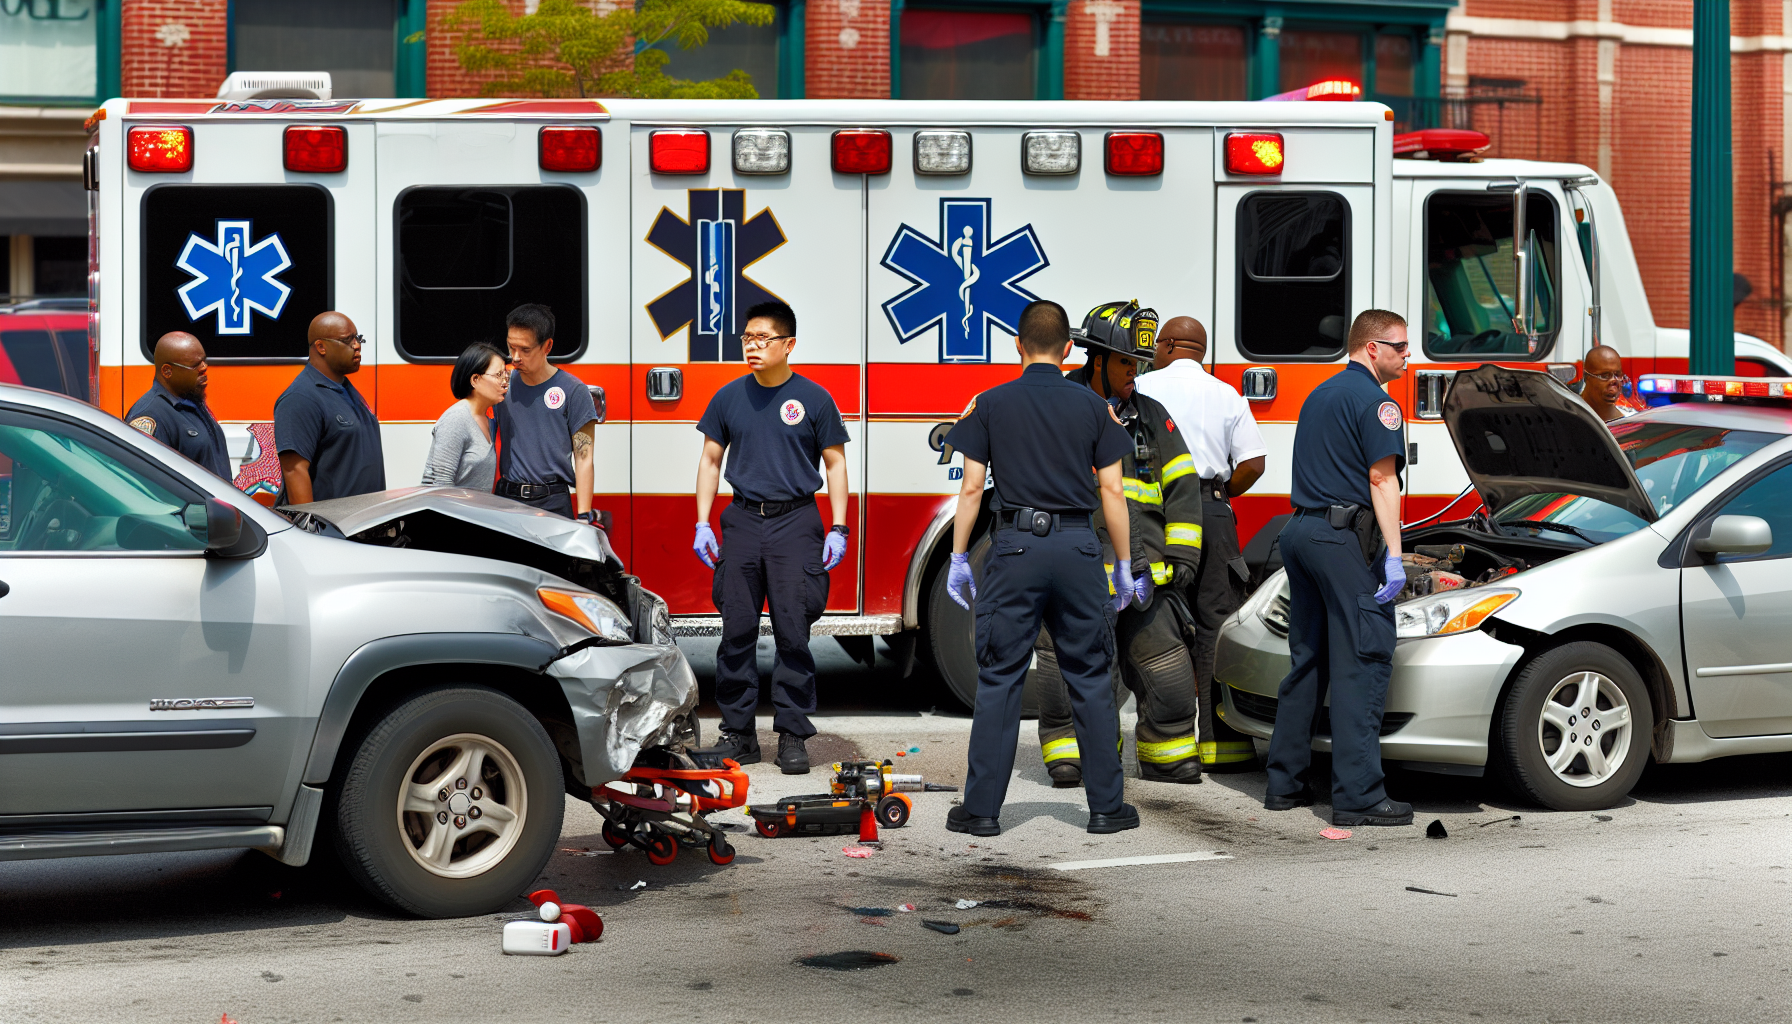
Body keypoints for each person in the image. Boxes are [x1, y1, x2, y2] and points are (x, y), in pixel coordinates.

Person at [941, 299, 1140, 837]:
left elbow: (971, 488)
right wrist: (1123, 564)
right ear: (1069, 348)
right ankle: (1106, 809)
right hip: (1077, 549)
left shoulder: (988, 404)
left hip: (1015, 551)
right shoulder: (1095, 409)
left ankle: (982, 811)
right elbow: (1113, 491)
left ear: (1018, 346)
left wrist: (958, 557)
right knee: (1091, 676)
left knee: (1001, 677)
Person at [1028, 300, 1207, 787]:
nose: (1135, 372)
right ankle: (1074, 752)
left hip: (1148, 576)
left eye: (1140, 363)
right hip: (1075, 574)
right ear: (1098, 359)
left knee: (1166, 669)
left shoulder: (1152, 417)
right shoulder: (1056, 408)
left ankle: (1167, 752)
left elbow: (1183, 485)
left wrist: (1182, 555)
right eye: (1126, 362)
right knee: (1067, 672)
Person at [1263, 308, 1414, 827]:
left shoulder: (1320, 393)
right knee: (1363, 660)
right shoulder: (1379, 403)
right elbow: (1382, 480)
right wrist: (1394, 554)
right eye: (1400, 346)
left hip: (1301, 533)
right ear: (1372, 348)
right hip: (1339, 540)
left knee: (1308, 660)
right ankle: (1359, 796)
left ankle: (1284, 784)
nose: (1407, 356)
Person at [690, 300, 851, 775]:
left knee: (792, 633)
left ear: (789, 344)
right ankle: (738, 735)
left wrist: (839, 527)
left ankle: (793, 735)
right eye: (747, 338)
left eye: (763, 338)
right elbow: (710, 461)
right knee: (736, 632)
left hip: (796, 522)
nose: (753, 347)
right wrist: (703, 522)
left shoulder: (814, 399)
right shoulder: (728, 398)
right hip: (741, 521)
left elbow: (836, 464)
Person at [1135, 314, 1269, 771]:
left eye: (1157, 344)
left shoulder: (1143, 387)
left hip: (1156, 511)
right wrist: (1220, 493)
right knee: (1215, 624)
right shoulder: (1226, 393)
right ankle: (1222, 746)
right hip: (1212, 512)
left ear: (1169, 345)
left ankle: (1167, 742)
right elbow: (1255, 463)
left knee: (1155, 622)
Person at [492, 304, 601, 522]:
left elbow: (584, 457)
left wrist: (583, 515)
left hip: (553, 501)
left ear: (547, 346)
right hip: (507, 498)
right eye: (511, 347)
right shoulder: (501, 385)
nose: (515, 357)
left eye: (525, 350)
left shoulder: (573, 390)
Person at [274, 312, 384, 504]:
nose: (357, 346)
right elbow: (294, 470)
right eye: (347, 340)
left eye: (357, 338)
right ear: (321, 347)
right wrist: (309, 522)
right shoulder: (300, 398)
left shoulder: (345, 389)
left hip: (365, 519)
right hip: (332, 522)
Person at [125, 331, 230, 479]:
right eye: (195, 365)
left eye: (203, 361)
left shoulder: (190, 401)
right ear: (167, 371)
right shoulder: (151, 415)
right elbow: (147, 482)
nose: (204, 368)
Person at [422, 342, 508, 488]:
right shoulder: (456, 419)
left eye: (505, 374)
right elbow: (440, 484)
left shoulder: (488, 421)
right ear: (475, 380)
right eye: (498, 375)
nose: (504, 382)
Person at [1579, 345, 1633, 424]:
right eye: (1605, 376)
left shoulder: (1630, 421)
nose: (1613, 382)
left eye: (1617, 375)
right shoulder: (1568, 417)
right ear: (1586, 376)